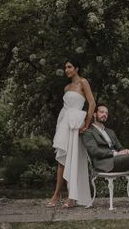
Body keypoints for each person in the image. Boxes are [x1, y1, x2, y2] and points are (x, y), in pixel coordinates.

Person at [47, 58, 96, 208]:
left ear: (77, 68)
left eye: (69, 67)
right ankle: (56, 194)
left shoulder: (83, 82)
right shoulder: (67, 87)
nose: (66, 70)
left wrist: (86, 124)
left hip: (76, 124)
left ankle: (72, 197)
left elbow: (92, 103)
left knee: (74, 159)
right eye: (65, 67)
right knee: (62, 159)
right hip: (65, 123)